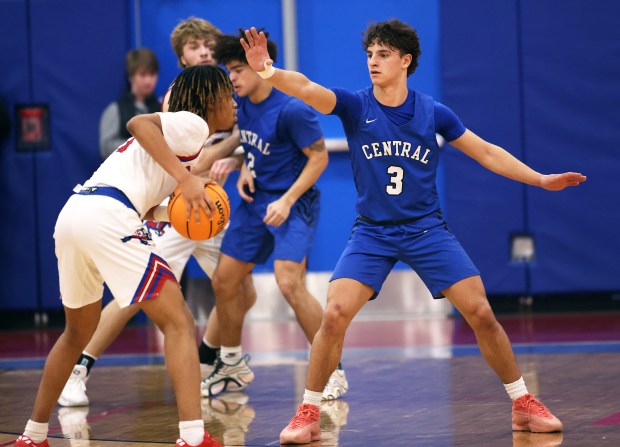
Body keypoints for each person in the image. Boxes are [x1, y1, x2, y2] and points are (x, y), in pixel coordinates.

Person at [239, 21, 587, 444]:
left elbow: (486, 151)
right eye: (369, 54)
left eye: (383, 54)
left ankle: (523, 402)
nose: (373, 61)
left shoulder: (434, 112)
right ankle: (308, 411)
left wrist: (539, 179)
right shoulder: (354, 105)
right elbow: (309, 88)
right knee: (333, 315)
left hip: (425, 229)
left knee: (480, 313)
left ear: (405, 61)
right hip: (372, 233)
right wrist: (268, 72)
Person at [14, 65, 232, 447]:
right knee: (179, 322)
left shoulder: (178, 147)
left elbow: (147, 206)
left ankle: (32, 436)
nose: (234, 103)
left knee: (76, 333)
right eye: (227, 95)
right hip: (107, 216)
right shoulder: (191, 125)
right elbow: (137, 123)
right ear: (209, 98)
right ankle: (194, 437)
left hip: (75, 214)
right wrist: (187, 181)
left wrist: (185, 206)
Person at [58, 17, 255, 409]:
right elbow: (184, 158)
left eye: (209, 46)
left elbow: (242, 139)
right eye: (196, 46)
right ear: (181, 56)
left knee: (239, 288)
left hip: (203, 204)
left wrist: (238, 159)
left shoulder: (220, 92)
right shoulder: (179, 101)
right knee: (137, 295)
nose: (205, 52)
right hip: (181, 205)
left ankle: (214, 359)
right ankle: (80, 366)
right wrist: (191, 176)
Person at [200, 32, 348, 401]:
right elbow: (252, 145)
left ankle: (332, 370)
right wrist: (241, 164)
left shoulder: (292, 108)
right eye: (228, 70)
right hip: (256, 202)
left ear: (256, 67)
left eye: (237, 70)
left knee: (288, 282)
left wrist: (286, 200)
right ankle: (232, 364)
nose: (231, 78)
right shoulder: (244, 103)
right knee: (224, 280)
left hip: (293, 202)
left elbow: (319, 159)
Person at [99, 48, 161, 160]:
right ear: (131, 77)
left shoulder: (162, 108)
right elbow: (106, 147)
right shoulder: (115, 109)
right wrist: (141, 146)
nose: (148, 80)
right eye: (142, 75)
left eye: (152, 74)